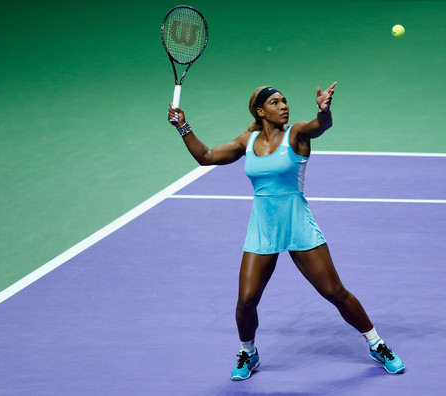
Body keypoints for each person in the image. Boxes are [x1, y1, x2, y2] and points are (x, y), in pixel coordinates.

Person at [167, 82, 405, 379]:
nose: (284, 106)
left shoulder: (296, 134)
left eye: (285, 101)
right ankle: (248, 353)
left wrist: (324, 110)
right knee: (246, 300)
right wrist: (183, 126)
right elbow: (206, 156)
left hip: (297, 225)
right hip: (263, 230)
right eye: (275, 102)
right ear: (260, 111)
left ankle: (377, 344)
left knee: (335, 292)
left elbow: (320, 126)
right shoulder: (246, 141)